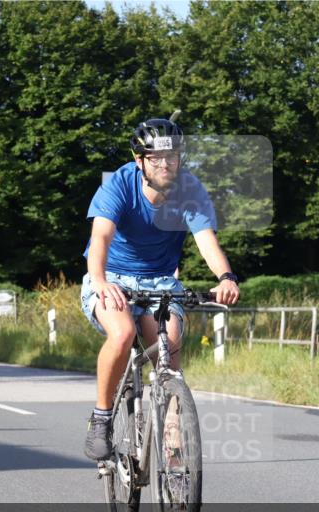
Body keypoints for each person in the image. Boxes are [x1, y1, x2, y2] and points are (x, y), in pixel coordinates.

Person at [80, 115, 240, 461]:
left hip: (160, 279)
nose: (166, 164)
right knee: (122, 334)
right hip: (112, 274)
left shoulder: (189, 190)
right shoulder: (119, 184)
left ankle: (173, 450)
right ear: (140, 161)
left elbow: (206, 241)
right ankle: (101, 418)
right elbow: (101, 237)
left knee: (169, 349)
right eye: (156, 158)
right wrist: (100, 280)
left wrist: (226, 277)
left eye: (172, 157)